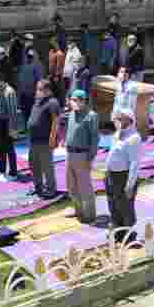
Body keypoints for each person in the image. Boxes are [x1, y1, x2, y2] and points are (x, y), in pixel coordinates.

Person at [104, 108, 142, 242]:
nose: (117, 121)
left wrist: (130, 185)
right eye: (117, 118)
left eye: (121, 119)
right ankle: (118, 233)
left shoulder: (133, 138)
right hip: (111, 175)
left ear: (129, 120)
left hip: (123, 177)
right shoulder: (117, 134)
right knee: (113, 205)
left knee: (125, 207)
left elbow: (135, 163)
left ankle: (129, 236)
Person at [62, 89, 99, 224]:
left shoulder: (91, 116)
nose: (76, 103)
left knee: (85, 187)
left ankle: (89, 215)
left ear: (84, 101)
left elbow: (94, 138)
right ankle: (79, 210)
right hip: (69, 154)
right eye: (74, 100)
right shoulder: (71, 114)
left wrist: (90, 158)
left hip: (82, 155)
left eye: (79, 100)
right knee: (71, 185)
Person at [28, 80, 61, 198]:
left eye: (40, 89)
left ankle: (51, 189)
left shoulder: (52, 102)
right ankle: (38, 186)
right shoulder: (38, 101)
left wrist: (52, 138)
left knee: (47, 166)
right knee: (34, 164)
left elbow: (56, 121)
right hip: (34, 140)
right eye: (37, 89)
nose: (37, 91)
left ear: (47, 90)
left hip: (45, 141)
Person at [0, 59, 20, 179]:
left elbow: (12, 112)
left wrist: (12, 128)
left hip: (5, 122)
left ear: (1, 81)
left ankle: (13, 171)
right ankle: (1, 169)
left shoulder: (9, 92)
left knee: (9, 147)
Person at [17, 49, 42, 128]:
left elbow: (38, 80)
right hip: (24, 93)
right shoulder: (22, 67)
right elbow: (20, 81)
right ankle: (25, 127)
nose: (28, 58)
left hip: (31, 93)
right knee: (24, 111)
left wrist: (37, 93)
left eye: (30, 57)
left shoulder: (36, 67)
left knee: (31, 111)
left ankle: (30, 127)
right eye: (28, 56)